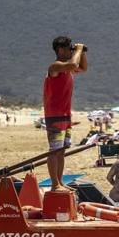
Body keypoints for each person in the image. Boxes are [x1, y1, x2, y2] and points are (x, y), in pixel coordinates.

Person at [43, 36, 87, 192]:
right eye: (69, 48)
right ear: (60, 50)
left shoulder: (68, 69)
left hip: (65, 115)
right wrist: (79, 50)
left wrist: (82, 52)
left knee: (61, 151)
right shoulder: (55, 67)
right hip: (54, 115)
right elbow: (73, 64)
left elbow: (82, 67)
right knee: (54, 150)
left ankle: (60, 182)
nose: (71, 51)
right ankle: (54, 184)